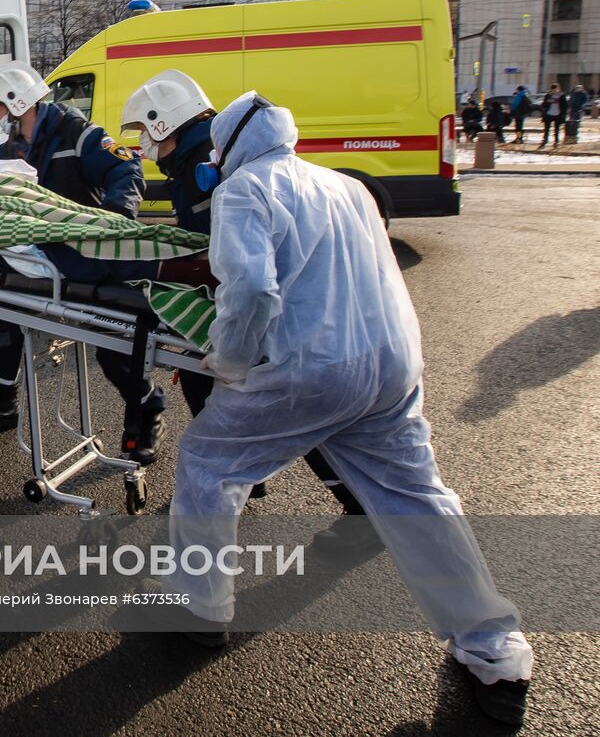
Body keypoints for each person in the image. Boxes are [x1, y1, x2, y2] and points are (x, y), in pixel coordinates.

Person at [154, 91, 533, 725]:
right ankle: (495, 650)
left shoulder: (244, 191)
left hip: (309, 371)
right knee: (417, 497)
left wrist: (228, 363)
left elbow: (248, 291)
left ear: (232, 146)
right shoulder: (345, 187)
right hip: (389, 364)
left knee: (209, 462)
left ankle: (201, 607)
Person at [123, 70, 372, 533]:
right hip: (336, 325)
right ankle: (325, 494)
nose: (143, 147)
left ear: (164, 124)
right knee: (286, 405)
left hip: (276, 313)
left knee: (280, 405)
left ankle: (348, 501)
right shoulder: (201, 160)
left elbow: (227, 260)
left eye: (143, 133)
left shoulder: (209, 172)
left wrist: (162, 270)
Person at [0, 61, 165, 465]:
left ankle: (148, 412)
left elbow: (125, 168)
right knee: (0, 312)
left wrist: (112, 220)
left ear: (18, 103)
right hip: (36, 257)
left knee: (111, 344)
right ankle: (3, 404)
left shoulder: (78, 135)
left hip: (82, 257)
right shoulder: (9, 152)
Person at [538, 84, 566, 149]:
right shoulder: (548, 95)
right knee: (546, 129)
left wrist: (563, 114)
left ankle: (556, 141)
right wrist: (548, 100)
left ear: (558, 89)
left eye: (555, 89)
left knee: (556, 129)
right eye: (553, 89)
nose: (554, 91)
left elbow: (564, 106)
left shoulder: (561, 96)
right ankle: (545, 140)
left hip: (558, 115)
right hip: (548, 114)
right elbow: (544, 104)